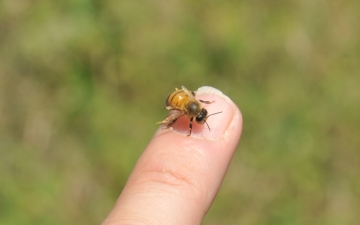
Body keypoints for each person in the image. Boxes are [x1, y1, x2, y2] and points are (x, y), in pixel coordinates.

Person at [102, 86, 243, 225]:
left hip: (181, 95)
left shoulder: (194, 102)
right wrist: (181, 127)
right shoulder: (184, 112)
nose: (203, 118)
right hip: (177, 100)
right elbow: (180, 115)